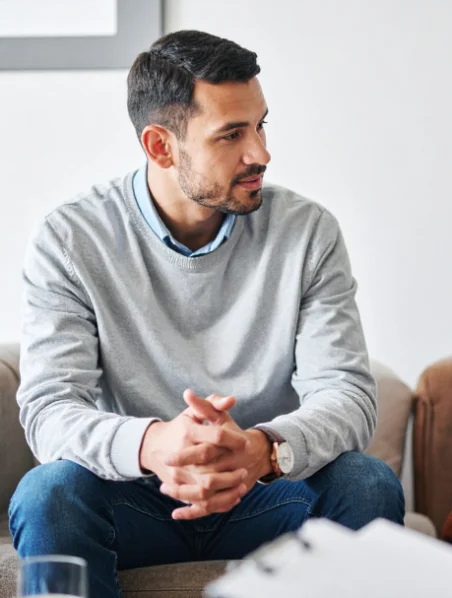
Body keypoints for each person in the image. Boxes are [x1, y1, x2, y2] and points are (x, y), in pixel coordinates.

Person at [8, 30, 404, 598]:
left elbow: (346, 392)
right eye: (232, 135)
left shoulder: (307, 234)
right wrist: (153, 445)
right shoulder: (71, 239)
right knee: (48, 493)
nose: (261, 153)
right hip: (134, 498)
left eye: (261, 125)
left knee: (367, 483)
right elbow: (48, 409)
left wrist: (263, 449)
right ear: (161, 147)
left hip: (266, 493)